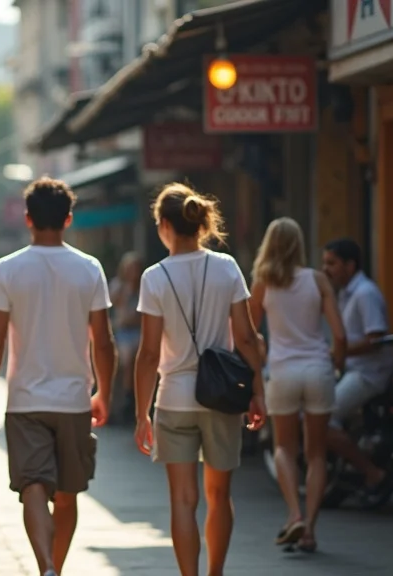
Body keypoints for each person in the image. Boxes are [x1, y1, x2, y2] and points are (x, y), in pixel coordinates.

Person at [0, 177, 116, 576]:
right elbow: (102, 342)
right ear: (69, 219)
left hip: (25, 401)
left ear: (27, 219)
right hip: (74, 399)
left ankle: (46, 568)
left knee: (32, 486)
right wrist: (103, 391)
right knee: (69, 493)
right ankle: (56, 567)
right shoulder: (89, 269)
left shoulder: (8, 269)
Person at [132, 183, 266, 576]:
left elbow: (149, 353)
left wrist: (143, 413)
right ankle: (215, 574)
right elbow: (246, 337)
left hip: (173, 400)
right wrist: (258, 391)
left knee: (183, 500)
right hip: (222, 397)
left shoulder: (153, 277)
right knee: (219, 495)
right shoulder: (226, 268)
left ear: (165, 226)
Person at [249, 217, 347, 553]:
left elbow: (248, 332)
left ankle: (294, 514)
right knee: (317, 454)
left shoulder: (263, 283)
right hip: (318, 369)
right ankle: (310, 530)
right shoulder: (317, 280)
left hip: (282, 372)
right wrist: (339, 362)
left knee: (283, 448)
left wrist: (260, 356)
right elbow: (340, 334)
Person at [321, 238, 393, 501]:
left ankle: (372, 473)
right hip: (353, 369)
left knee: (324, 421)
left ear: (350, 265)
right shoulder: (344, 292)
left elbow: (374, 339)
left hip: (368, 373)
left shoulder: (365, 293)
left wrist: (338, 352)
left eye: (332, 263)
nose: (326, 269)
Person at [110, 252, 142, 424]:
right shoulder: (118, 286)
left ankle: (133, 397)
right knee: (127, 355)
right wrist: (126, 288)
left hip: (139, 330)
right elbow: (115, 305)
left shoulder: (144, 287)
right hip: (122, 332)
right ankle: (126, 399)